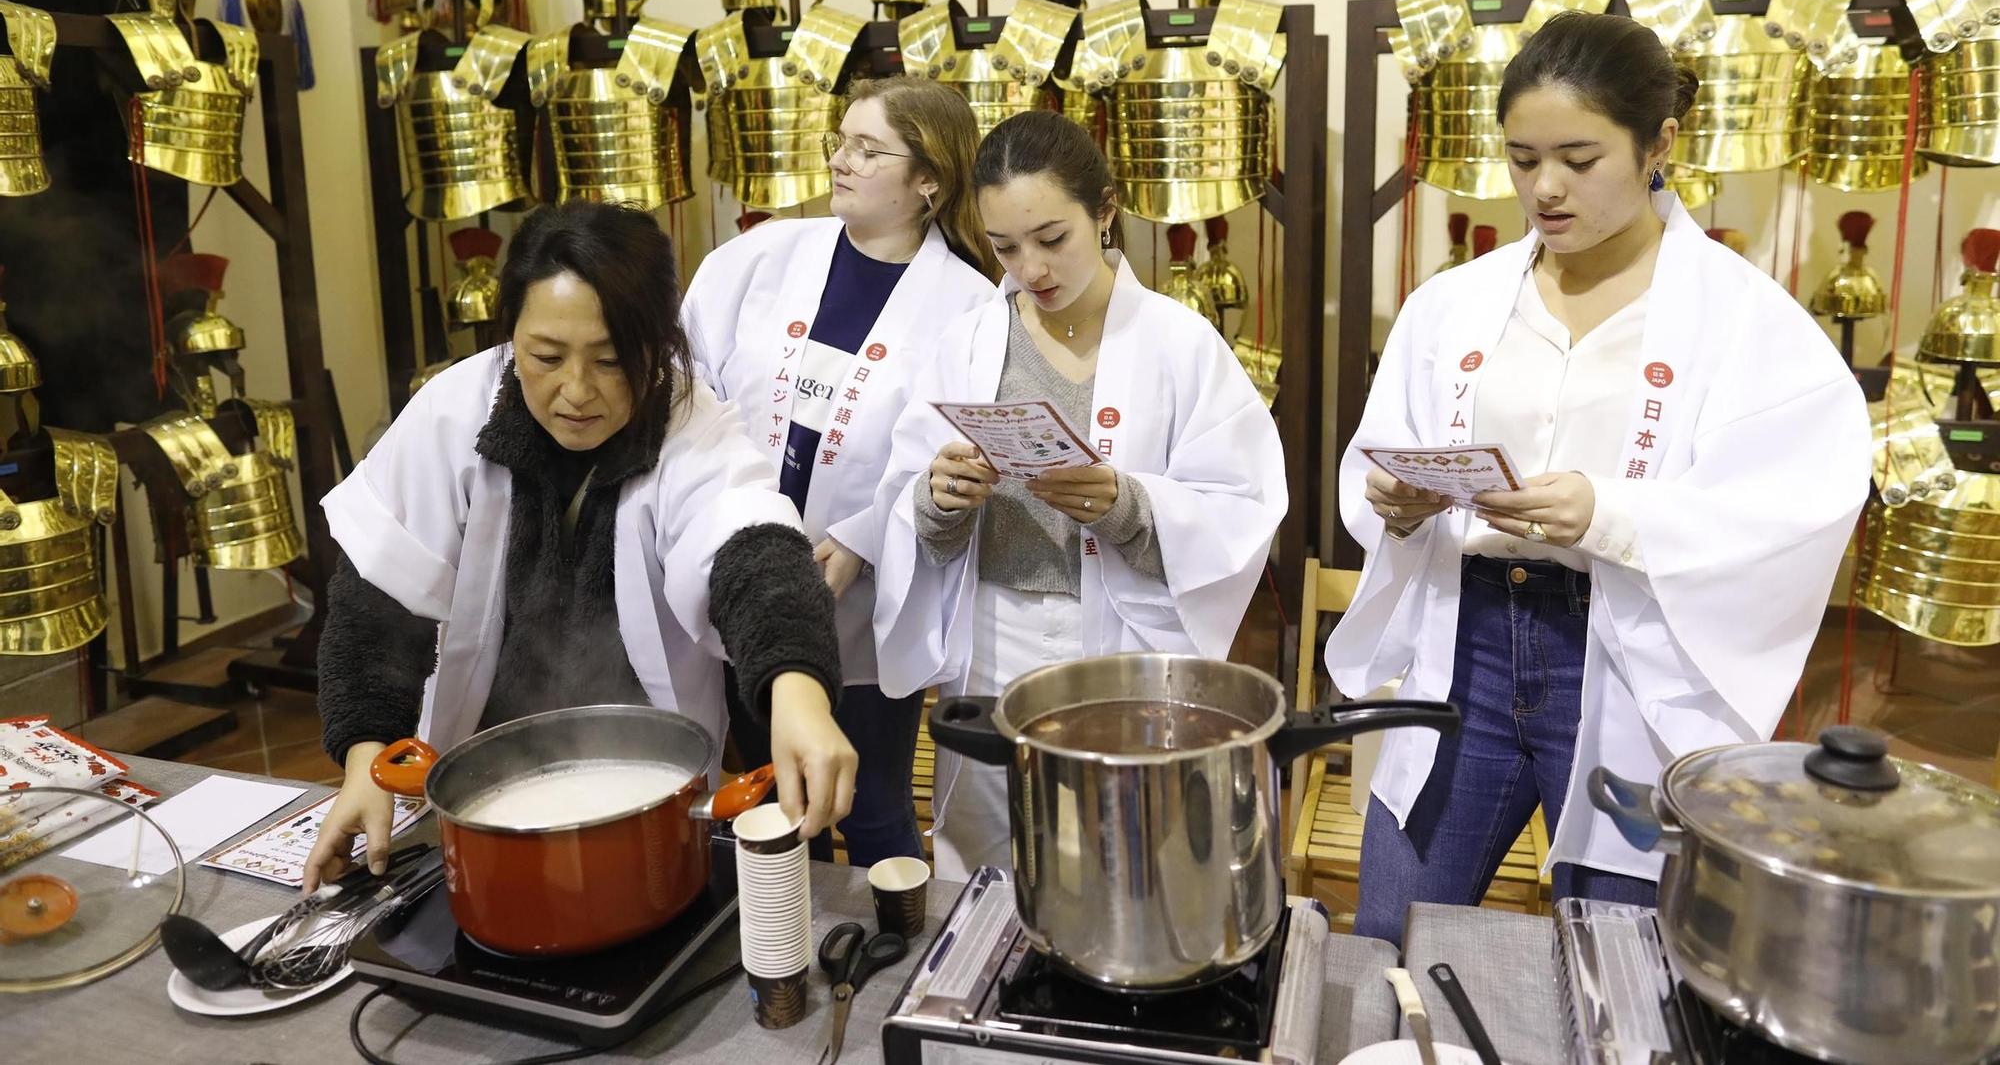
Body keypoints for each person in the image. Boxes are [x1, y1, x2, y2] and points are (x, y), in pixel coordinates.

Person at [1327, 11, 1870, 940]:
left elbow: (1794, 506)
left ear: (1661, 141)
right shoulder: (1454, 304)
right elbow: (1379, 455)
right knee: (1392, 932)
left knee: (1621, 960)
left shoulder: (1745, 323)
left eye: (1580, 159)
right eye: (1522, 157)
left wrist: (1606, 513)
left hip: (1623, 658)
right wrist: (1400, 503)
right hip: (1467, 646)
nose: (1545, 188)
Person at [304, 201, 858, 890]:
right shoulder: (453, 413)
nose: (576, 391)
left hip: (643, 783)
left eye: (610, 359)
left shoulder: (692, 428)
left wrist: (798, 696)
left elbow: (751, 551)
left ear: (658, 346)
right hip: (476, 776)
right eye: (546, 356)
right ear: (512, 337)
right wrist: (365, 759)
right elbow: (378, 601)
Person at [870, 109, 1287, 880]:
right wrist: (940, 499)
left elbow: (1242, 503)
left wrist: (1126, 506)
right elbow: (906, 495)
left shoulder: (1179, 343)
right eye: (1005, 247)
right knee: (989, 861)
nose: (1031, 268)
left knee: (1125, 859)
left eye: (1052, 238)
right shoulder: (966, 343)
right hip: (991, 636)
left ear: (1105, 210)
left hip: (1127, 643)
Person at [681, 76, 998, 865]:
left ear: (929, 180)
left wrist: (860, 540)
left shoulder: (968, 306)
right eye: (841, 142)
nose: (841, 162)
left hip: (863, 587)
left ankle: (900, 959)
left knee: (871, 802)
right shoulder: (759, 259)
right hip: (747, 572)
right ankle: (770, 948)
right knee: (760, 792)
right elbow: (693, 390)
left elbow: (946, 451)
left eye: (868, 149)